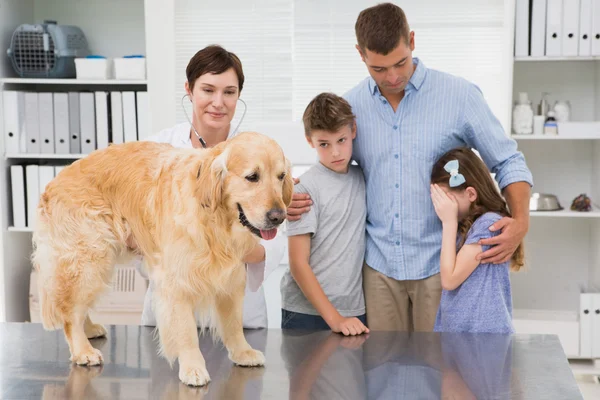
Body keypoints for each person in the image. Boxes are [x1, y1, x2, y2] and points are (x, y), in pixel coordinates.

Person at [287, 3, 533, 332]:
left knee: (438, 375)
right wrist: (290, 193)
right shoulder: (352, 108)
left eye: (400, 63)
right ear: (360, 54)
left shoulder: (459, 96)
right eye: (378, 68)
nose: (392, 77)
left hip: (439, 263)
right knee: (382, 377)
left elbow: (508, 161)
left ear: (412, 41)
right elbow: (331, 165)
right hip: (378, 270)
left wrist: (521, 222)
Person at [131, 44, 286, 329]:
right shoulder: (157, 153)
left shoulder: (261, 154)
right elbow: (137, 236)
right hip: (170, 317)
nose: (219, 102)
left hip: (239, 321)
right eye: (208, 90)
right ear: (189, 89)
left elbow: (269, 248)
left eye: (229, 92)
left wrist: (190, 238)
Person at [280, 92, 369, 336]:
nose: (335, 153)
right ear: (310, 141)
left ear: (353, 130)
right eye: (324, 144)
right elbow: (298, 264)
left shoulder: (362, 178)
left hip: (352, 308)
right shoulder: (305, 189)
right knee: (305, 376)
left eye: (341, 140)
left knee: (351, 375)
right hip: (306, 313)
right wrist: (336, 320)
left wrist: (344, 317)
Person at [430, 147, 524, 334]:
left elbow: (449, 280)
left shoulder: (488, 226)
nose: (441, 207)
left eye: (446, 198)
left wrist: (448, 223)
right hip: (462, 336)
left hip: (482, 337)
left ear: (471, 194)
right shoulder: (467, 226)